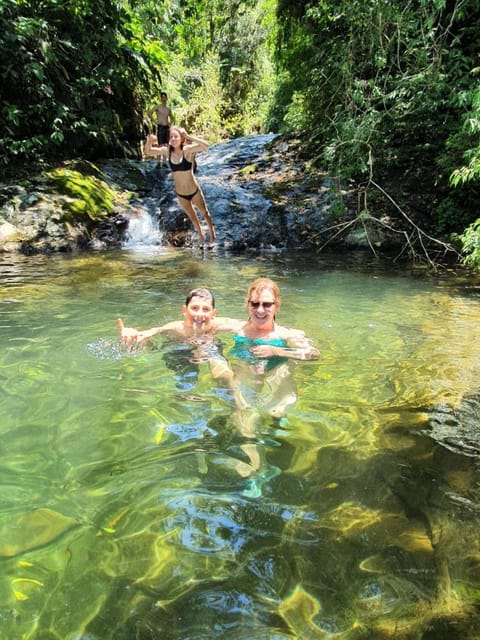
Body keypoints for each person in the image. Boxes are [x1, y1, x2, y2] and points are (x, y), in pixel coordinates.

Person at [117, 287, 245, 402]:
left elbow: (249, 326)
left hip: (209, 346)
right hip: (182, 352)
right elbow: (149, 333)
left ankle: (236, 401)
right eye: (194, 308)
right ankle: (185, 398)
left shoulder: (219, 324)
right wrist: (132, 334)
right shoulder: (176, 328)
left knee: (220, 366)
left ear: (213, 314)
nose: (200, 314)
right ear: (185, 310)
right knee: (186, 379)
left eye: (206, 309)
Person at [144, 126, 216, 245]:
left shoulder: (187, 150)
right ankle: (201, 236)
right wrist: (149, 142)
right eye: (171, 137)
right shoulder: (166, 151)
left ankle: (212, 235)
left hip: (194, 190)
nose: (173, 139)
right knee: (193, 218)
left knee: (205, 213)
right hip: (181, 194)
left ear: (181, 139)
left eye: (176, 136)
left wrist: (188, 136)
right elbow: (148, 151)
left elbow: (205, 145)